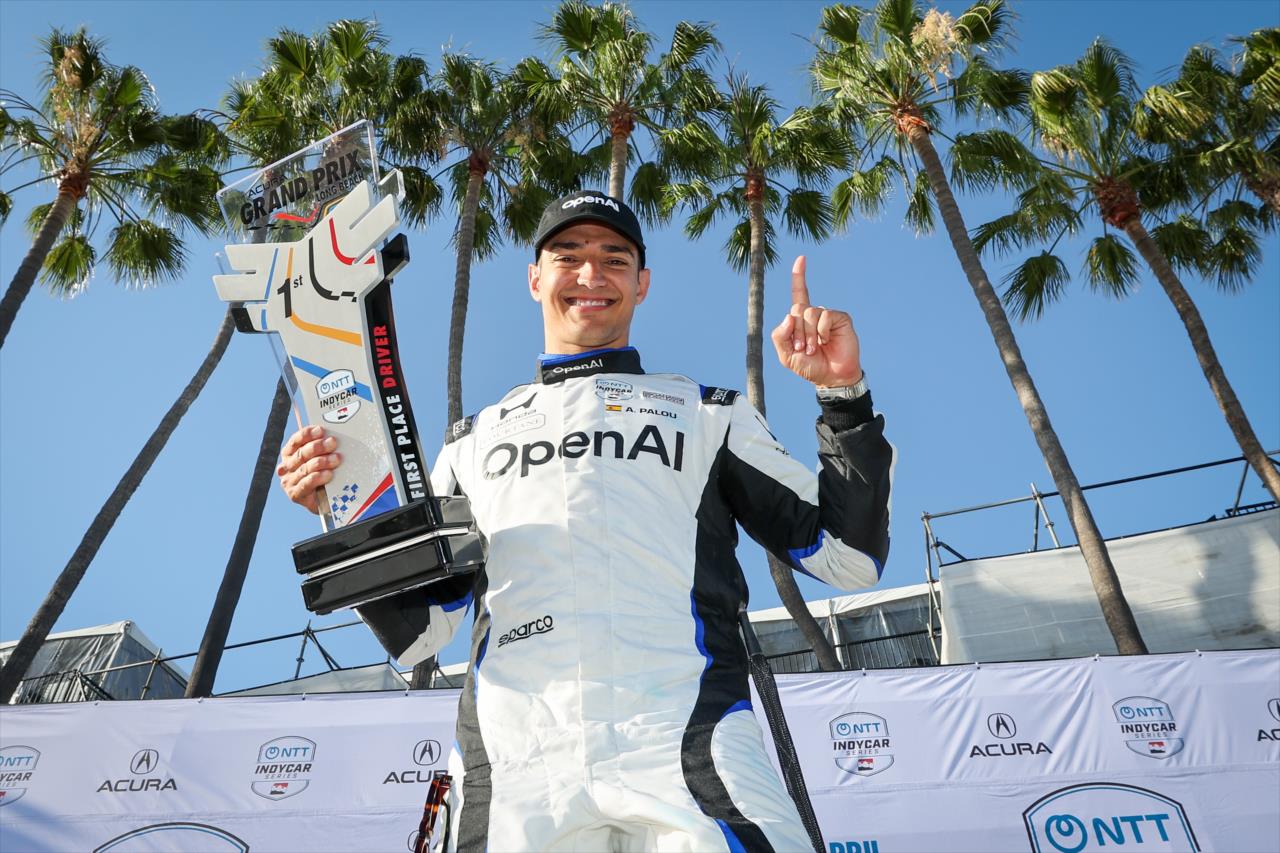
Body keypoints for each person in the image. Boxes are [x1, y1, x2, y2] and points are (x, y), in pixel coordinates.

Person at [276, 190, 894, 852]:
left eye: (614, 259)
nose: (591, 275)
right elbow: (422, 628)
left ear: (642, 283)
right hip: (517, 760)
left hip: (686, 736)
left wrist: (843, 396)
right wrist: (342, 509)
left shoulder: (709, 413)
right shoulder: (471, 443)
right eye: (567, 256)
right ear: (534, 277)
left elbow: (849, 556)